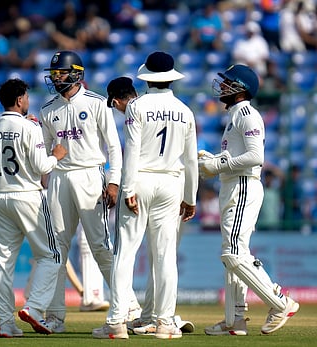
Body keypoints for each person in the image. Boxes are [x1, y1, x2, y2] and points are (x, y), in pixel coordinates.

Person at [93, 51, 198, 339]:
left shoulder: (137, 108)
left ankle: (116, 322)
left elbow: (133, 151)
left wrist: (128, 189)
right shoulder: (185, 111)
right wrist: (191, 197)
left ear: (147, 76)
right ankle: (164, 323)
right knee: (165, 257)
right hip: (171, 183)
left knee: (125, 253)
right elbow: (190, 160)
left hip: (141, 181)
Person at [199, 64, 299, 336]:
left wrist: (217, 163)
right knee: (232, 255)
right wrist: (211, 160)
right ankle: (235, 320)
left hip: (243, 185)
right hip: (232, 186)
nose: (221, 86)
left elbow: (256, 158)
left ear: (241, 89)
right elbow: (234, 156)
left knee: (233, 253)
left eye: (227, 82)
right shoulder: (234, 115)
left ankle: (280, 302)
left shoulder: (246, 114)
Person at [39, 50, 123, 333]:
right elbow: (45, 150)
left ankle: (127, 307)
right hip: (60, 179)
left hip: (90, 175)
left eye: (60, 73)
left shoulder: (98, 103)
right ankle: (54, 317)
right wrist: (43, 179)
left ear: (76, 73)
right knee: (56, 249)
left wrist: (113, 181)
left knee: (100, 245)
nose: (55, 78)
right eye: (53, 74)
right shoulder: (47, 109)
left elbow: (114, 146)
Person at [0, 78, 67, 337]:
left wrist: (3, 185)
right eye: (26, 96)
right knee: (52, 255)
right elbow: (42, 167)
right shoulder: (30, 128)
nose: (28, 100)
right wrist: (57, 155)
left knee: (2, 265)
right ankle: (35, 307)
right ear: (20, 100)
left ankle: (5, 324)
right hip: (28, 196)